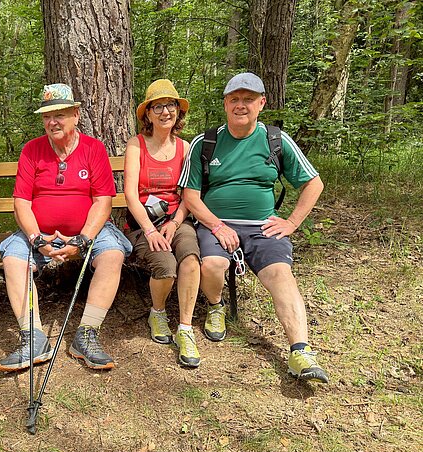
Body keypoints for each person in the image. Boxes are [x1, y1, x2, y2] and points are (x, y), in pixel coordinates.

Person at [180, 72, 329, 383]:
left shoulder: (275, 140)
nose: (241, 105)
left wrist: (292, 222)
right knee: (212, 265)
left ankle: (300, 352)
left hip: (263, 226)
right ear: (225, 104)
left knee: (280, 274)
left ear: (261, 103)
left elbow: (313, 183)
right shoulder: (206, 142)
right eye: (234, 99)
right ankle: (216, 306)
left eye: (248, 99)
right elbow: (190, 196)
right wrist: (217, 226)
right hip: (215, 224)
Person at [0, 83, 131, 372]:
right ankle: (33, 338)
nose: (53, 122)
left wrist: (83, 239)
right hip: (38, 233)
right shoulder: (32, 150)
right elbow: (21, 202)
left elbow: (103, 201)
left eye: (60, 114)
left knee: (112, 254)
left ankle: (86, 335)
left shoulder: (93, 149)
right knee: (13, 258)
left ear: (76, 115)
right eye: (47, 116)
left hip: (88, 231)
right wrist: (36, 239)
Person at [124, 79, 201, 367]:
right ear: (148, 113)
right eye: (157, 106)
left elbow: (189, 193)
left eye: (170, 105)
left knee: (190, 258)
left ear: (178, 111)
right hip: (142, 223)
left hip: (176, 219)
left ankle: (185, 328)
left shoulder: (185, 148)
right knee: (166, 267)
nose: (165, 112)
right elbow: (130, 195)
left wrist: (176, 221)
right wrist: (149, 230)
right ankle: (157, 313)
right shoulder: (136, 145)